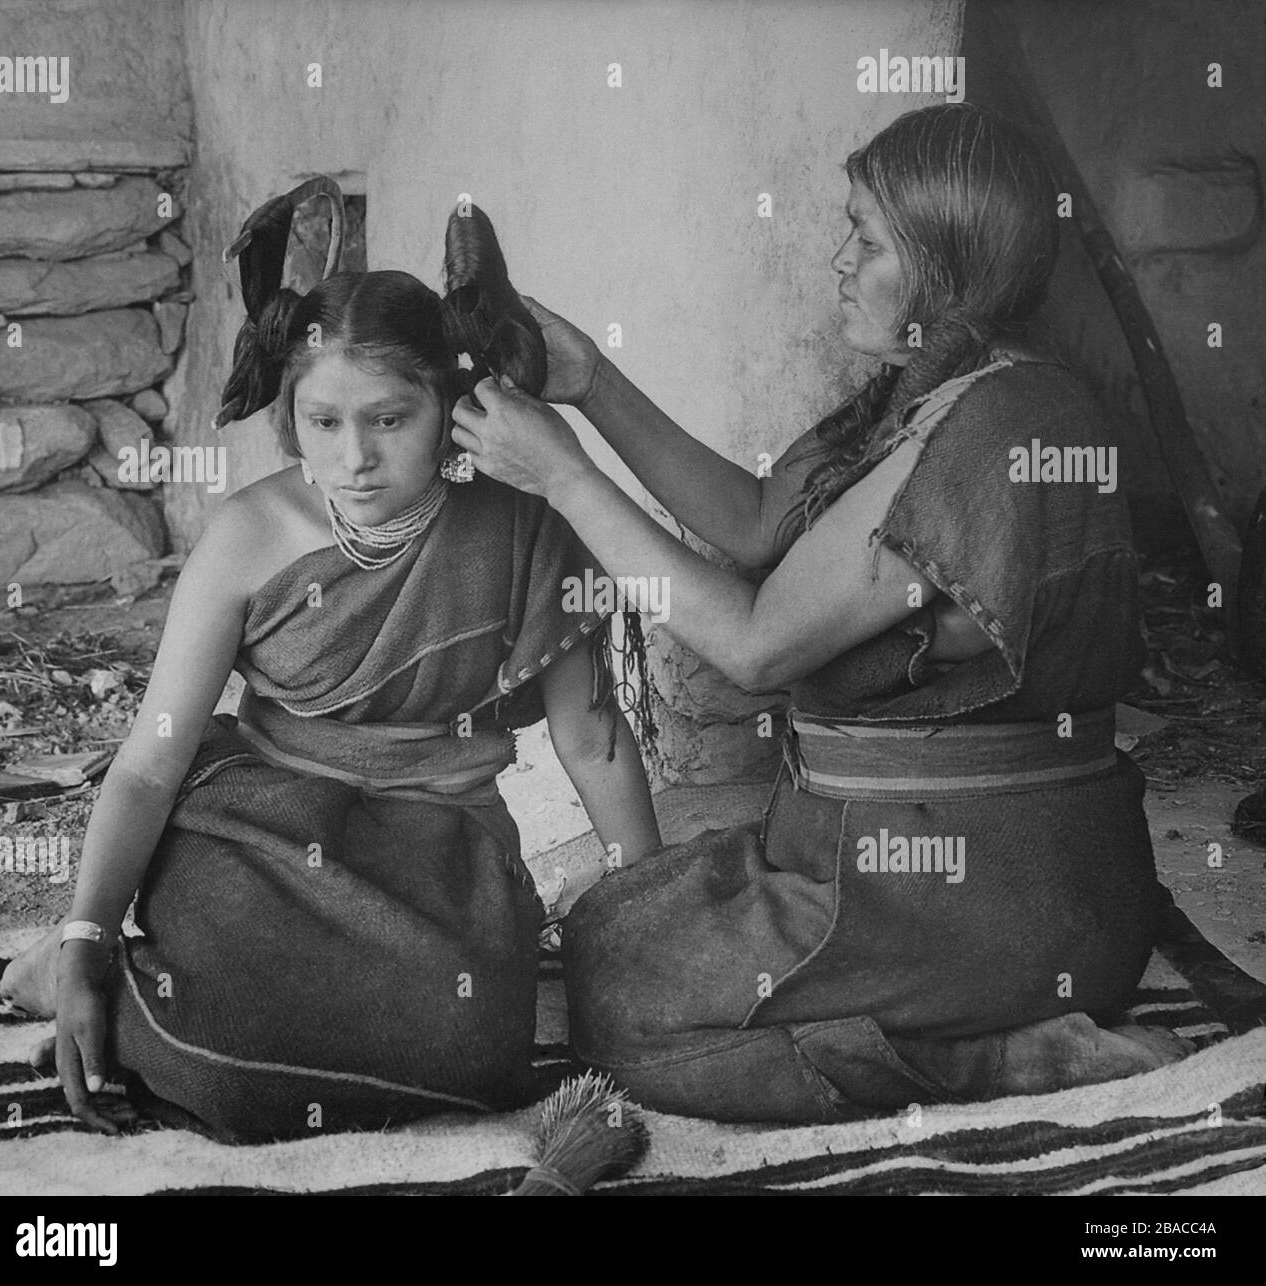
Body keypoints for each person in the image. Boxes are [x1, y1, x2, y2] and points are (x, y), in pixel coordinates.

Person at [450, 103, 1190, 1122]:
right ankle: (945, 1014)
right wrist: (590, 384)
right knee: (604, 924)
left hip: (992, 898)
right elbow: (757, 520)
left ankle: (1000, 1059)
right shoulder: (930, 389)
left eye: (869, 239)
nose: (839, 259)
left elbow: (754, 645)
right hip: (914, 860)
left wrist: (563, 477)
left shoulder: (1000, 426)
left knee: (626, 1005)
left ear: (945, 266)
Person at [1, 182, 660, 1142]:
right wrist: (88, 931)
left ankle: (130, 998)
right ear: (290, 416)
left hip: (443, 833)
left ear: (448, 403)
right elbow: (150, 760)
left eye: (390, 419)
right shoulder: (251, 534)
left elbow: (592, 737)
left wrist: (647, 915)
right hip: (262, 821)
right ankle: (71, 973)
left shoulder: (525, 522)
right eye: (323, 423)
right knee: (230, 1051)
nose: (354, 457)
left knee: (472, 1047)